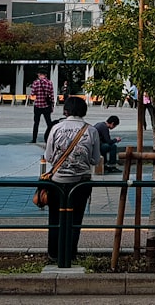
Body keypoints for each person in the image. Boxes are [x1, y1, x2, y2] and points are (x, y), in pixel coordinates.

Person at [44, 96, 99, 262]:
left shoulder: (56, 128)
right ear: (84, 111)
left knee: (55, 218)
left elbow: (48, 157)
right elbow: (95, 159)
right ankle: (71, 253)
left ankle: (54, 253)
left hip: (58, 181)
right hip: (80, 182)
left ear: (65, 110)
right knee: (76, 219)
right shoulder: (91, 130)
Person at [30, 71, 55, 143]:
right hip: (47, 106)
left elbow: (33, 93)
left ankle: (34, 139)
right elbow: (52, 95)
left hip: (38, 105)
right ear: (45, 75)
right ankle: (50, 138)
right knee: (49, 122)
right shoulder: (49, 83)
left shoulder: (36, 83)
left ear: (39, 75)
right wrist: (52, 105)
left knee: (36, 123)